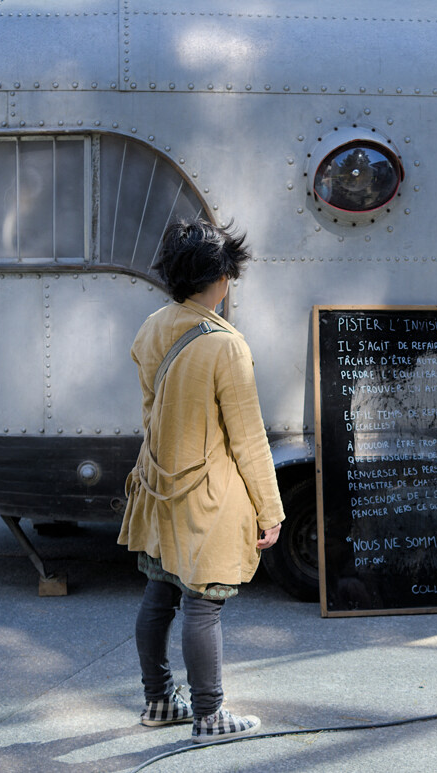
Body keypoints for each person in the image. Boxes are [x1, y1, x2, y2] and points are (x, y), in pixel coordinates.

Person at [117, 217, 285, 743]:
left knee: (159, 593)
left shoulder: (152, 327)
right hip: (208, 495)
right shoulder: (225, 345)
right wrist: (271, 510)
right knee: (202, 603)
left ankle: (158, 701)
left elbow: (151, 411)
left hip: (158, 485)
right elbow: (248, 438)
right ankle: (209, 715)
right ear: (220, 277)